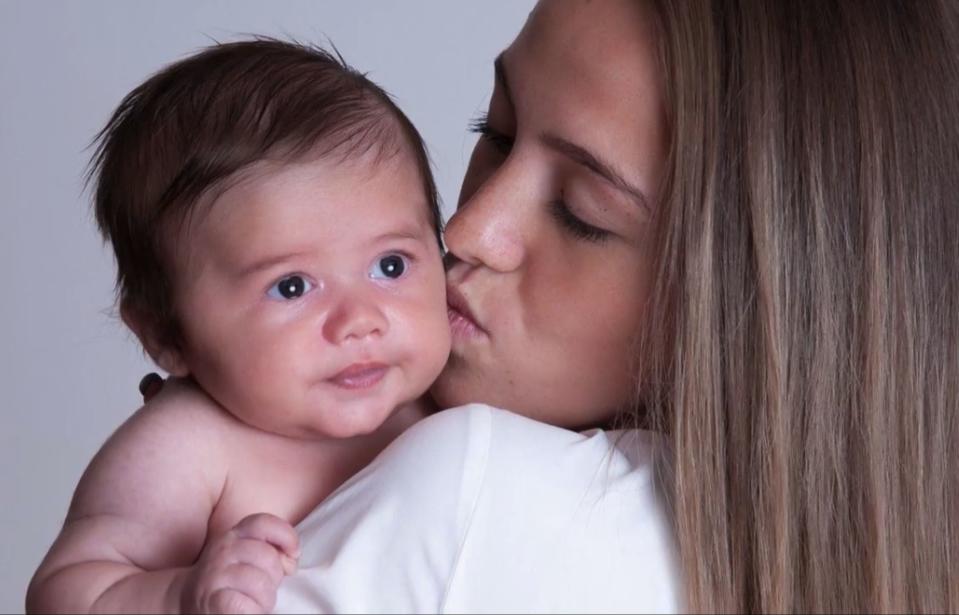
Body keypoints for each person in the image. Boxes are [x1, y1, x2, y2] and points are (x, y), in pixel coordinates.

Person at [273, 0, 958, 613]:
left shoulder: (471, 491)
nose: (466, 231)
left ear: (760, 311)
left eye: (580, 214)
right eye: (497, 131)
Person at [25, 39, 452, 613]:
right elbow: (67, 592)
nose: (360, 320)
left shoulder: (447, 394)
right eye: (292, 287)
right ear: (166, 336)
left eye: (390, 266)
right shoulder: (189, 447)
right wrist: (178, 593)